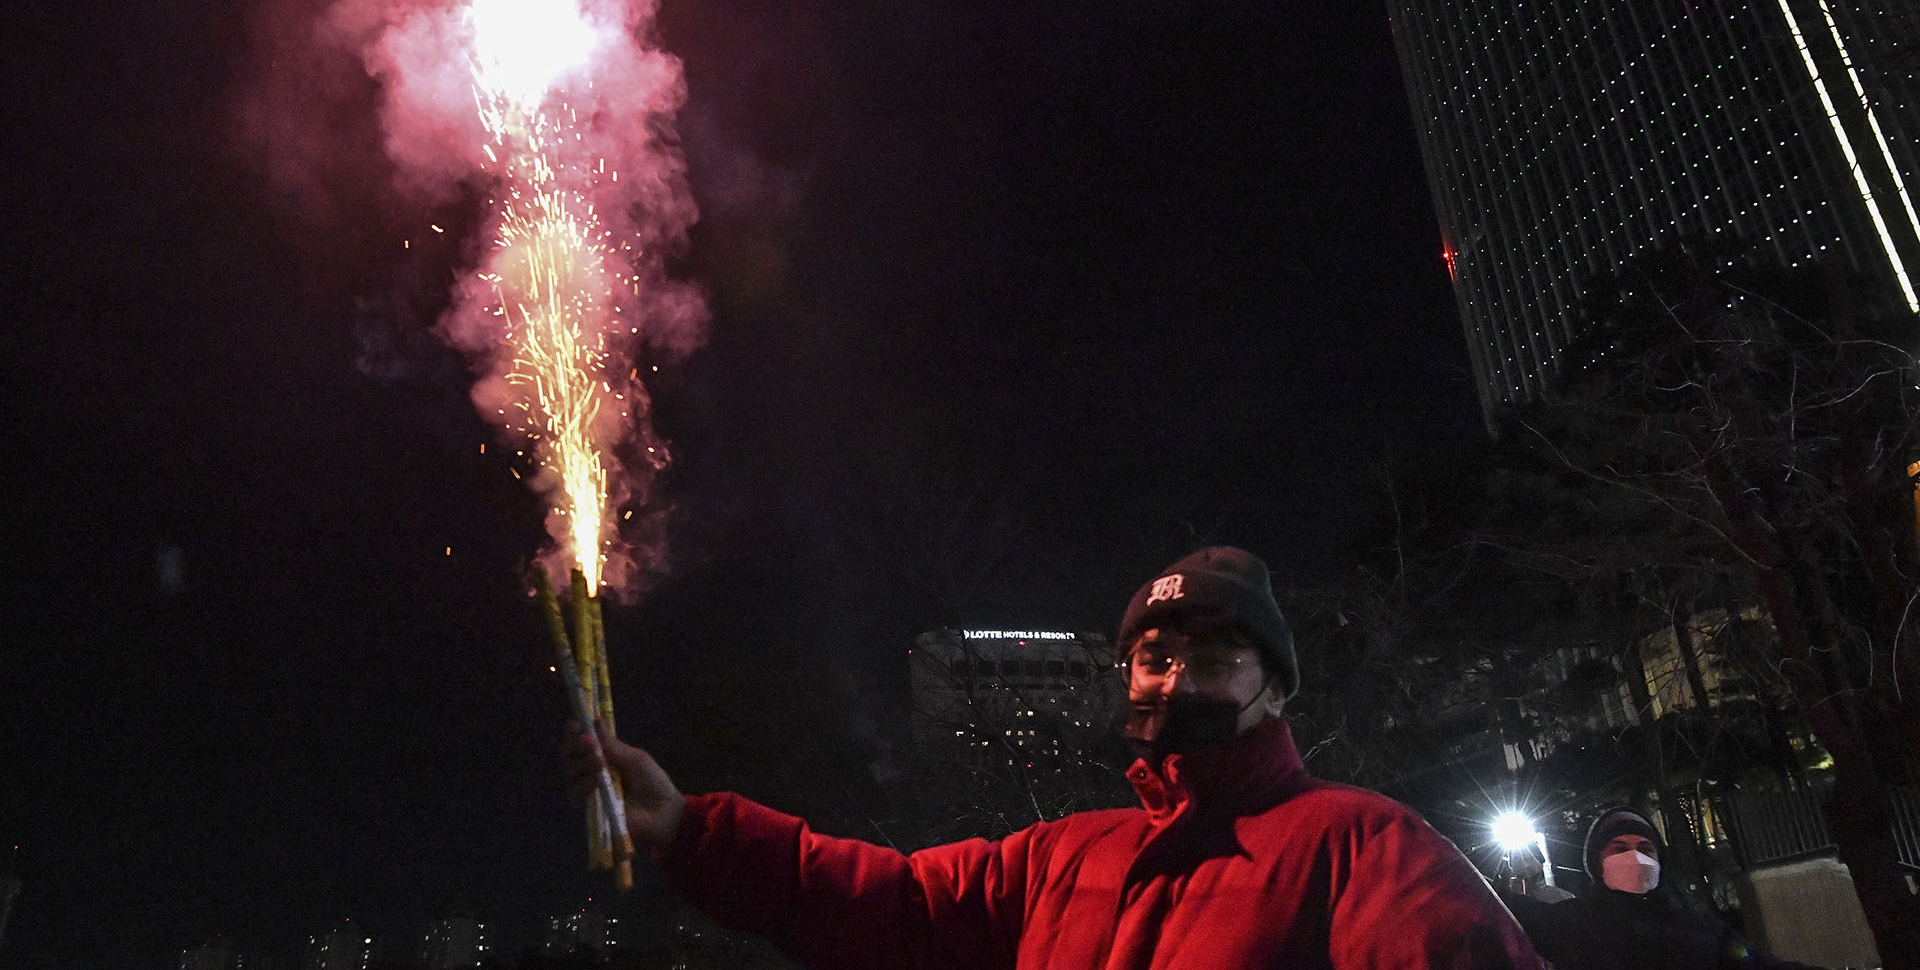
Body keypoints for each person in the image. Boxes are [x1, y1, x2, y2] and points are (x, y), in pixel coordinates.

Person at [567, 546, 1545, 969]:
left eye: (1213, 658)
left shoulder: (1361, 844)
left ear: (1275, 686)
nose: (1174, 681)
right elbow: (893, 906)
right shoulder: (1066, 856)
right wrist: (694, 828)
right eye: (1155, 657)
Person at [1502, 807, 1818, 969]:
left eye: (1645, 847)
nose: (1634, 856)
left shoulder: (1701, 933)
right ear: (1598, 863)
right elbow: (1492, 909)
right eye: (1619, 847)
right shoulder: (1568, 924)